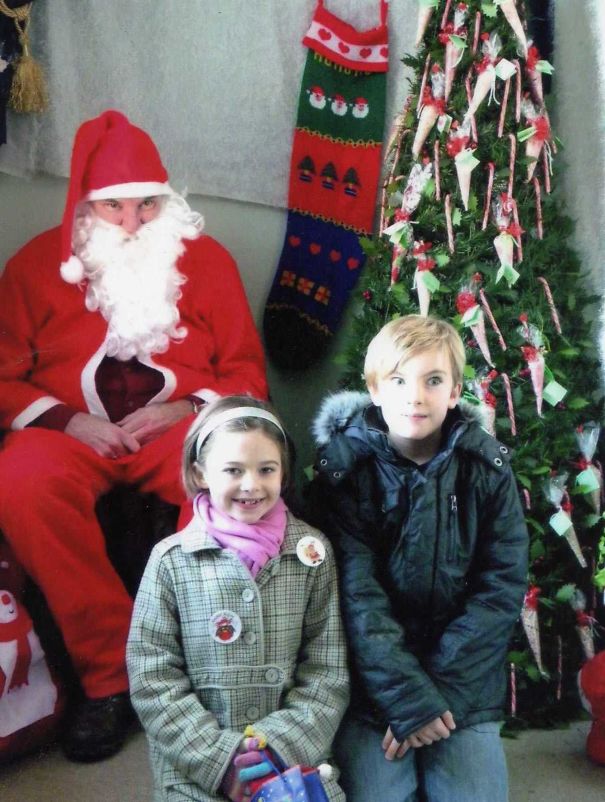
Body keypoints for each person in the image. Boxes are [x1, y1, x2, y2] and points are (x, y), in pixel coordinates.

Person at [0, 110, 268, 761]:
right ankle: (109, 677)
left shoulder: (207, 262)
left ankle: (197, 664)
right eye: (113, 206)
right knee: (20, 481)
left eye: (146, 204)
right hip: (70, 434)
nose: (130, 223)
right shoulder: (36, 264)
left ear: (165, 200)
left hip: (179, 429)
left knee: (230, 470)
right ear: (86, 206)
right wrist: (68, 420)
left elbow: (245, 374)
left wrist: (185, 410)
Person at [309, 314, 528, 802]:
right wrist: (406, 697)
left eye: (433, 381)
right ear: (374, 389)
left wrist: (437, 697)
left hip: (463, 680)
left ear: (454, 392)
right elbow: (356, 596)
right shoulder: (346, 475)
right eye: (399, 380)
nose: (415, 396)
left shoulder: (487, 470)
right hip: (375, 682)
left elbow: (500, 588)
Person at [126, 396, 349, 802]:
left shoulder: (312, 553)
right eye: (233, 470)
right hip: (197, 769)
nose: (251, 485)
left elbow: (327, 670)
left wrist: (278, 747)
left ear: (283, 472)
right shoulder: (171, 560)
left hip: (292, 761)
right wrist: (222, 762)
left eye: (266, 469)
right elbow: (152, 678)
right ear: (200, 473)